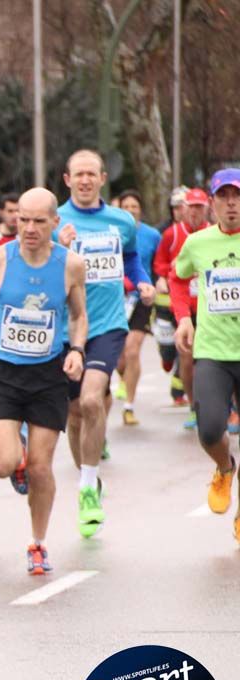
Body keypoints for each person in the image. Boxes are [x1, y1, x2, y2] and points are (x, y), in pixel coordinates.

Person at [0, 187, 88, 575]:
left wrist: (77, 350)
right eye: (23, 219)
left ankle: (38, 543)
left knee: (41, 469)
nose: (29, 228)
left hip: (47, 376)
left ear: (54, 222)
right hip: (4, 375)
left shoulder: (71, 265)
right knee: (3, 464)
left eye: (39, 221)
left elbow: (79, 315)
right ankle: (17, 450)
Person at [55, 149, 154, 537]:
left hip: (108, 325)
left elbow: (132, 260)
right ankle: (90, 478)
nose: (84, 180)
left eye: (91, 174)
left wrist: (142, 282)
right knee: (74, 414)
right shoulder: (54, 221)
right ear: (67, 180)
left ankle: (86, 490)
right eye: (78, 174)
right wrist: (60, 249)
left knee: (93, 400)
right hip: (65, 330)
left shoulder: (121, 221)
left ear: (101, 178)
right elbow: (37, 268)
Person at [174, 168, 240, 542]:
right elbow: (178, 278)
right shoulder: (197, 243)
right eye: (224, 196)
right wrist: (183, 318)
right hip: (213, 351)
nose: (231, 204)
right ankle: (224, 467)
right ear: (212, 203)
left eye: (237, 196)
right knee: (211, 429)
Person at [156, 187, 213, 427]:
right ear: (184, 208)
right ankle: (193, 407)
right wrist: (163, 276)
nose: (195, 212)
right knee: (186, 360)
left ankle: (229, 409)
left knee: (214, 361)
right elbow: (160, 263)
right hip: (183, 308)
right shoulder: (172, 234)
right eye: (192, 207)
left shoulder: (214, 233)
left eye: (200, 207)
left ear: (207, 208)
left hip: (210, 309)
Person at [114, 189, 163, 426]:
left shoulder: (152, 235)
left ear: (140, 210)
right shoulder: (110, 232)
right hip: (116, 298)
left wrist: (158, 282)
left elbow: (158, 264)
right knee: (120, 359)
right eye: (126, 207)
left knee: (132, 350)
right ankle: (125, 376)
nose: (131, 211)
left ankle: (129, 406)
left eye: (134, 207)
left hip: (141, 298)